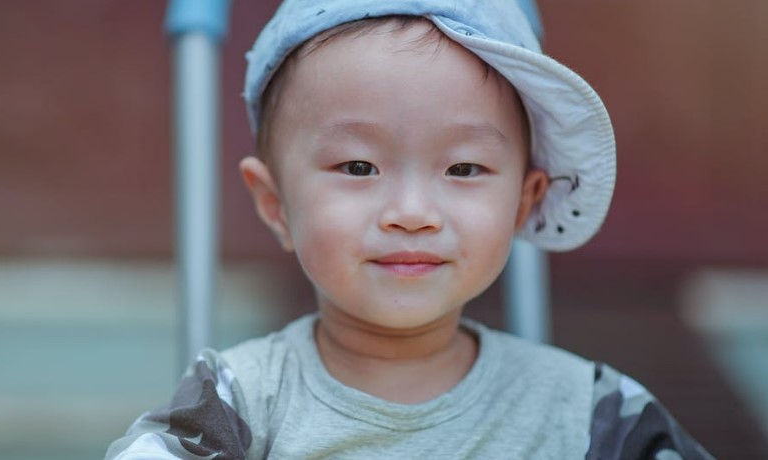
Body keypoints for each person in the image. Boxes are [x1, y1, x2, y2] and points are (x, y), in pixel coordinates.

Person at [106, 0, 714, 458]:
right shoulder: (236, 404)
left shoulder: (593, 415)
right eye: (359, 167)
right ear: (274, 205)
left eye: (464, 168)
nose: (413, 211)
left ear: (525, 202)